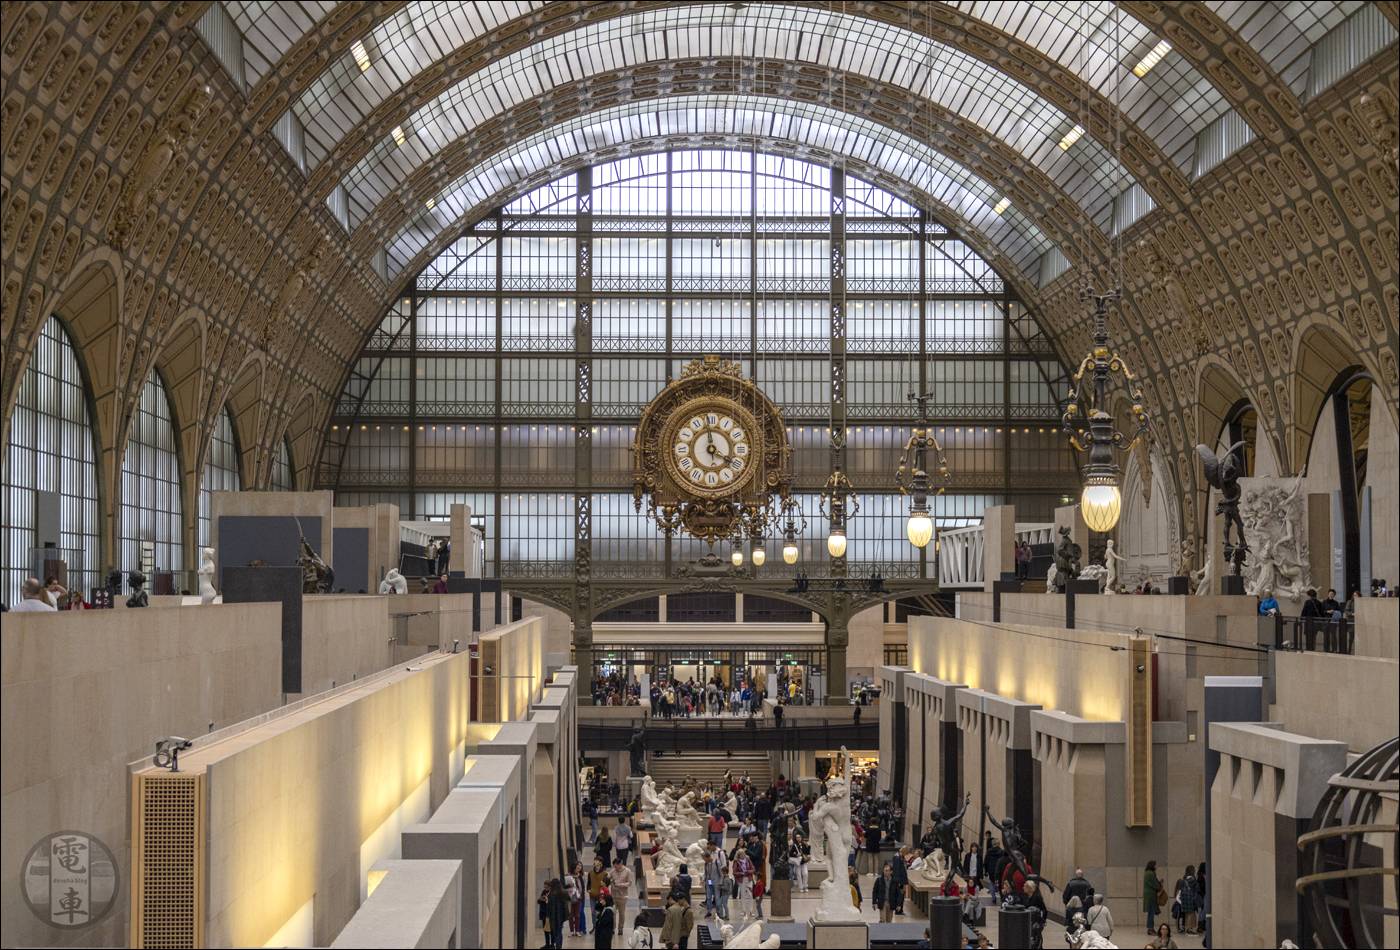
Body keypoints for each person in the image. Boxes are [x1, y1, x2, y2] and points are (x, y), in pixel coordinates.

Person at [543, 878, 570, 949]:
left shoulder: (552, 895)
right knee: (559, 931)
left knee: (555, 932)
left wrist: (548, 914)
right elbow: (567, 902)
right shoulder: (563, 892)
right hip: (562, 915)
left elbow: (550, 906)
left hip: (554, 915)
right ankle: (559, 946)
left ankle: (558, 946)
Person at [1175, 865, 1200, 935]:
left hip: (1184, 899)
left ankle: (1187, 928)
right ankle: (1189, 929)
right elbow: (1197, 888)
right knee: (1191, 914)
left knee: (1187, 914)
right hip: (1191, 899)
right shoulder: (1193, 879)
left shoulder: (1184, 880)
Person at [733, 847, 757, 918]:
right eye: (741, 854)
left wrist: (748, 872)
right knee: (743, 894)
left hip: (748, 879)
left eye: (744, 853)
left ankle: (751, 910)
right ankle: (743, 910)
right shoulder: (736, 862)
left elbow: (753, 869)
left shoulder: (748, 860)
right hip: (741, 879)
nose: (743, 855)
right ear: (738, 855)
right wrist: (741, 873)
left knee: (750, 894)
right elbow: (734, 872)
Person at [611, 857, 633, 929]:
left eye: (616, 866)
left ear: (619, 864)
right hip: (614, 895)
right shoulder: (612, 871)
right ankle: (613, 928)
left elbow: (629, 883)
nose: (615, 868)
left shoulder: (627, 871)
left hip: (622, 896)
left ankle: (620, 928)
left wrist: (621, 885)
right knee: (613, 913)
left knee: (621, 914)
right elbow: (608, 878)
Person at [588, 856, 609, 933]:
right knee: (593, 912)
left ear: (600, 863)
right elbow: (589, 883)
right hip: (593, 895)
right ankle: (595, 926)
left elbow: (607, 884)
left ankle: (601, 925)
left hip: (601, 896)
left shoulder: (604, 873)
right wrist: (588, 889)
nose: (595, 862)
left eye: (596, 860)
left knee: (601, 911)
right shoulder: (590, 872)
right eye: (594, 860)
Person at [1143, 860, 1163, 934]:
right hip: (1151, 896)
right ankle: (1150, 929)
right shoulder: (1150, 874)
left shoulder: (1148, 873)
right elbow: (1155, 884)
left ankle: (1151, 928)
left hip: (1150, 895)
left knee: (1151, 912)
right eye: (1155, 865)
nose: (1156, 866)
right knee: (1151, 912)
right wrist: (1159, 886)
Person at [566, 863, 585, 937]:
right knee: (571, 915)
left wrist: (582, 895)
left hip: (578, 897)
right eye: (577, 868)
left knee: (577, 915)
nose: (578, 869)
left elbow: (582, 887)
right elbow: (564, 886)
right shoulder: (567, 876)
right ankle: (571, 930)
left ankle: (577, 930)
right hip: (570, 897)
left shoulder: (579, 877)